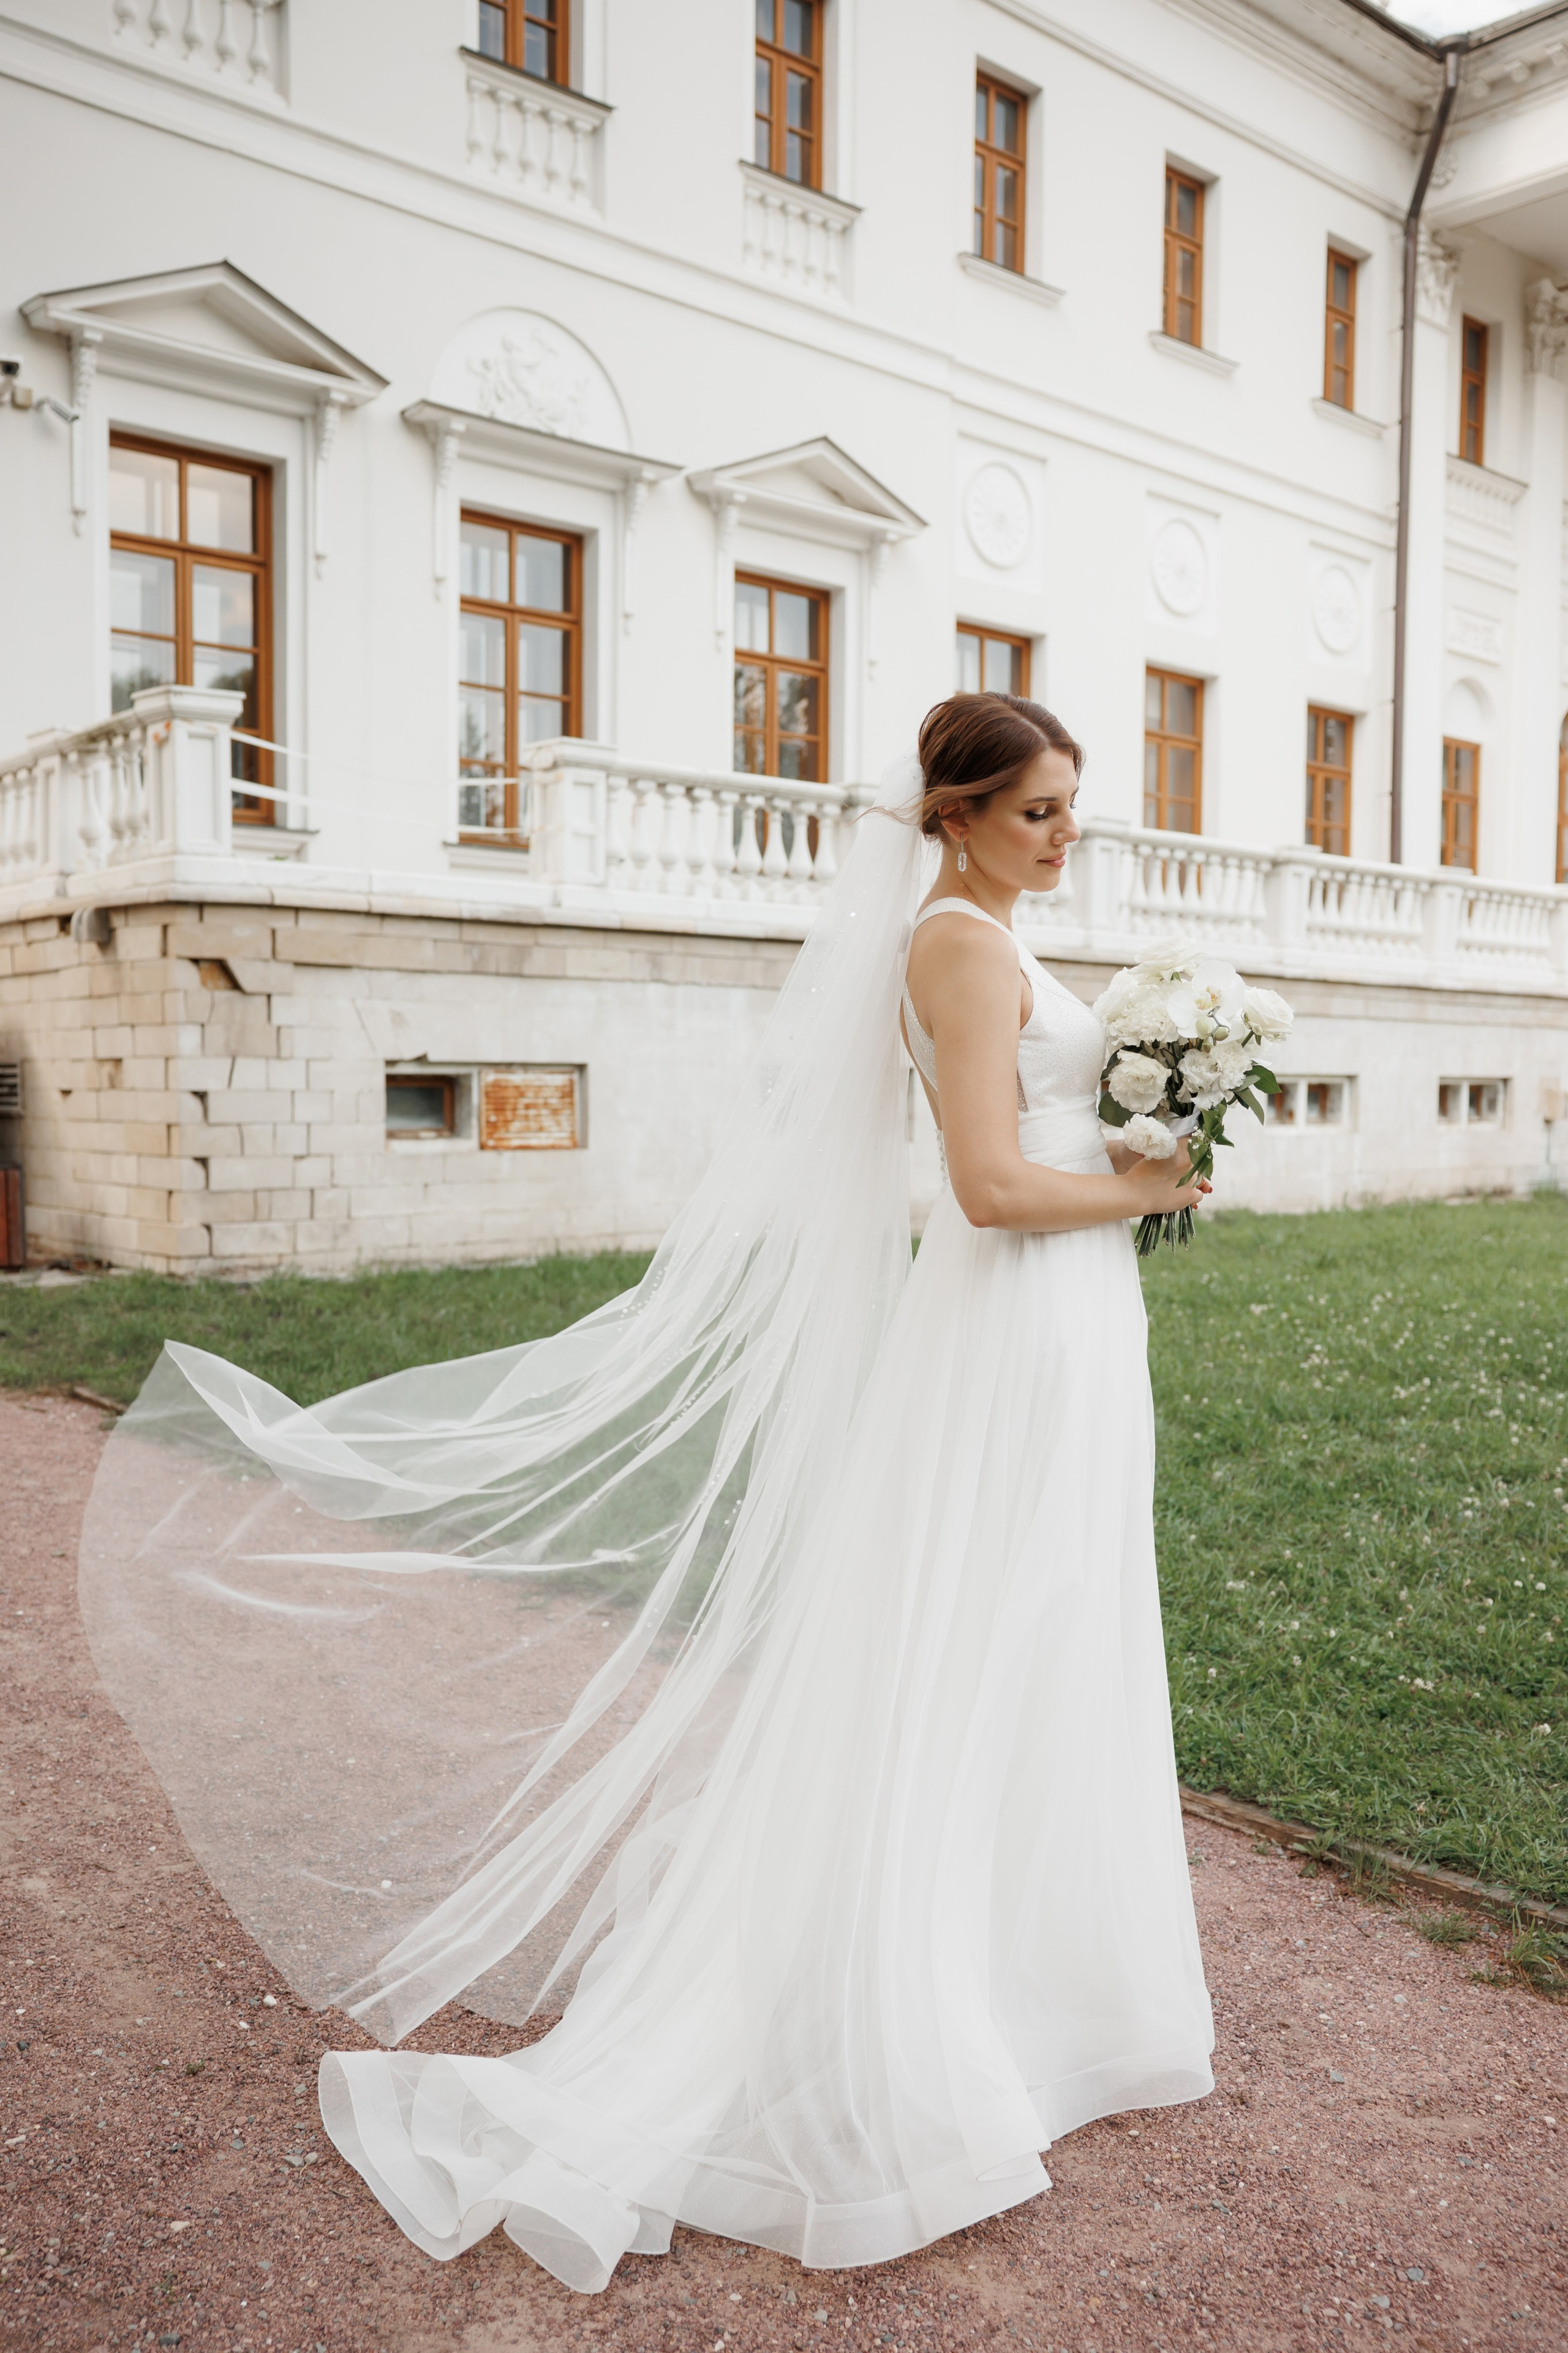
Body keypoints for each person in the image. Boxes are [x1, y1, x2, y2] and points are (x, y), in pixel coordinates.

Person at [80, 693, 1215, 2297]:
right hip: (1012, 1326)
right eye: (1037, 809)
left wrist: (1154, 1139)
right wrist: (1145, 1184)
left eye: (1070, 807)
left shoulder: (998, 928)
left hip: (1074, 1321)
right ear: (955, 815)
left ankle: (1025, 1988)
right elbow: (982, 1181)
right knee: (979, 1631)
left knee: (1046, 1630)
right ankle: (927, 2005)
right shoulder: (960, 945)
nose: (1065, 832)